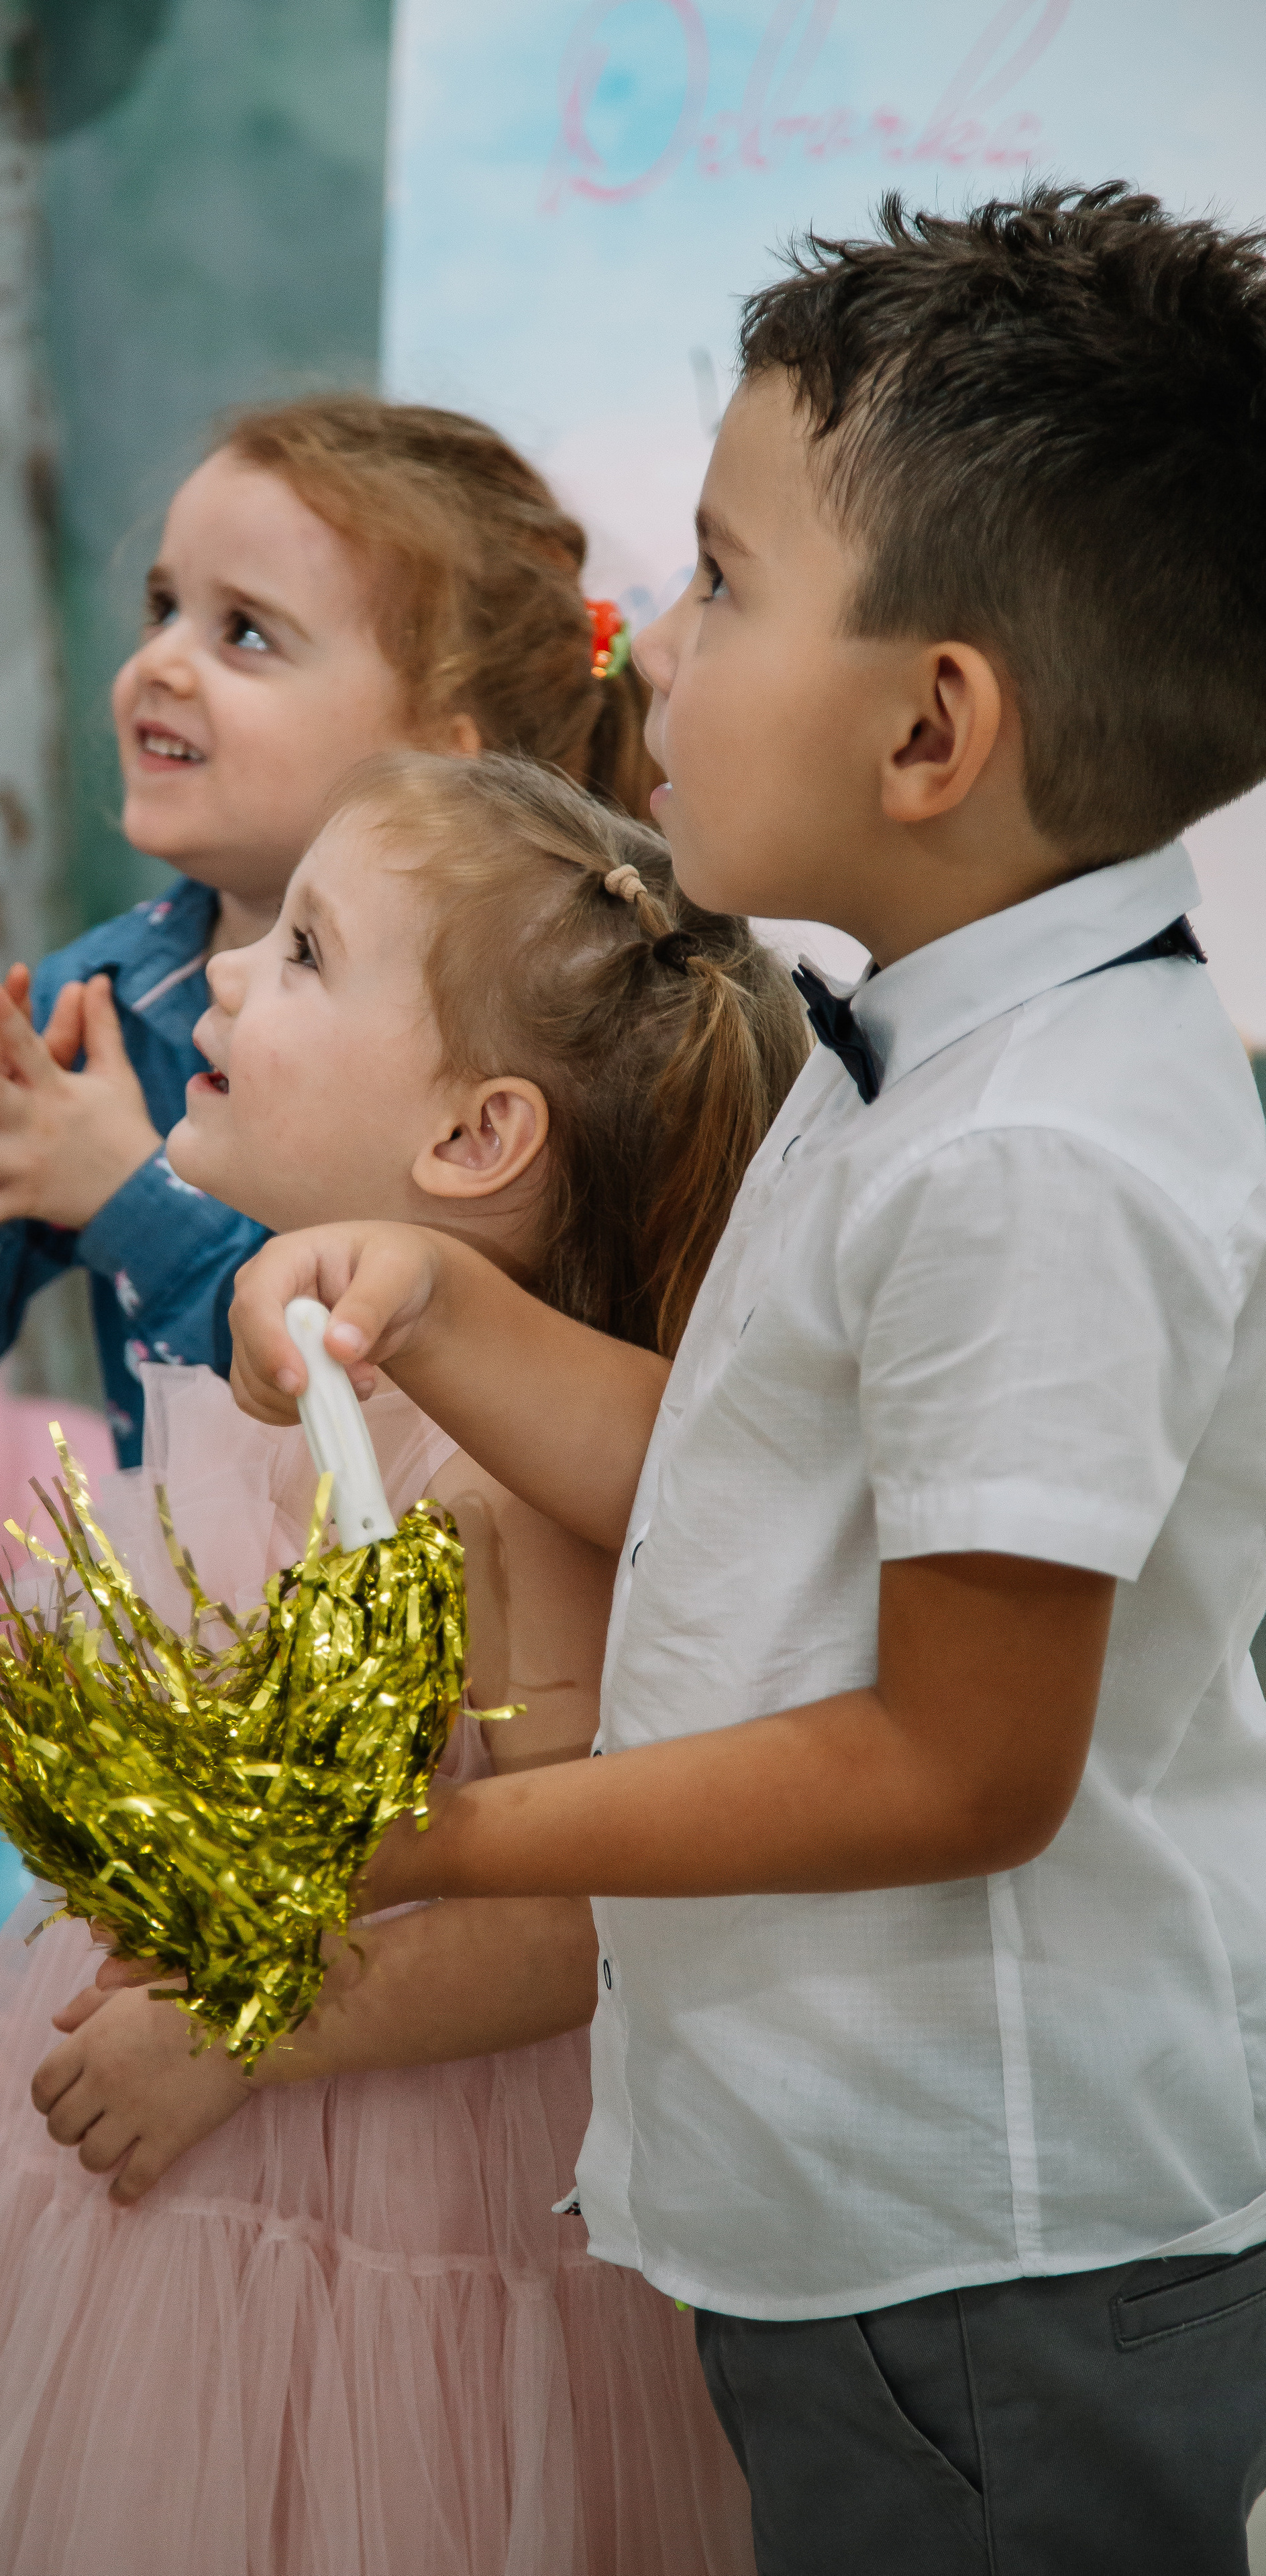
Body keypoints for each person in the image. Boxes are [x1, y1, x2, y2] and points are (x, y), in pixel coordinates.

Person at [222, 186, 1266, 2574]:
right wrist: (451, 1309)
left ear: (931, 727)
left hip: (989, 2248)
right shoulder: (923, 1038)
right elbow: (764, 1500)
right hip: (869, 2209)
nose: (647, 644)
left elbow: (960, 1758)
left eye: (714, 581)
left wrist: (458, 1839)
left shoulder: (1038, 1158)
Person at [0, 752, 806, 2576]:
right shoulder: (285, 1356)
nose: (214, 980)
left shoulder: (512, 1496)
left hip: (371, 2165)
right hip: (150, 2111)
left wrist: (233, 2035)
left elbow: (570, 1926)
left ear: (473, 1139)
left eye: (300, 954)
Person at [0, 395, 661, 1464]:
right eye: (163, 606)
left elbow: (346, 1396)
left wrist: (130, 1194)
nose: (164, 663)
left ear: (449, 762)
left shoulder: (554, 1029)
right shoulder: (106, 1013)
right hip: (208, 1614)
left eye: (247, 633)